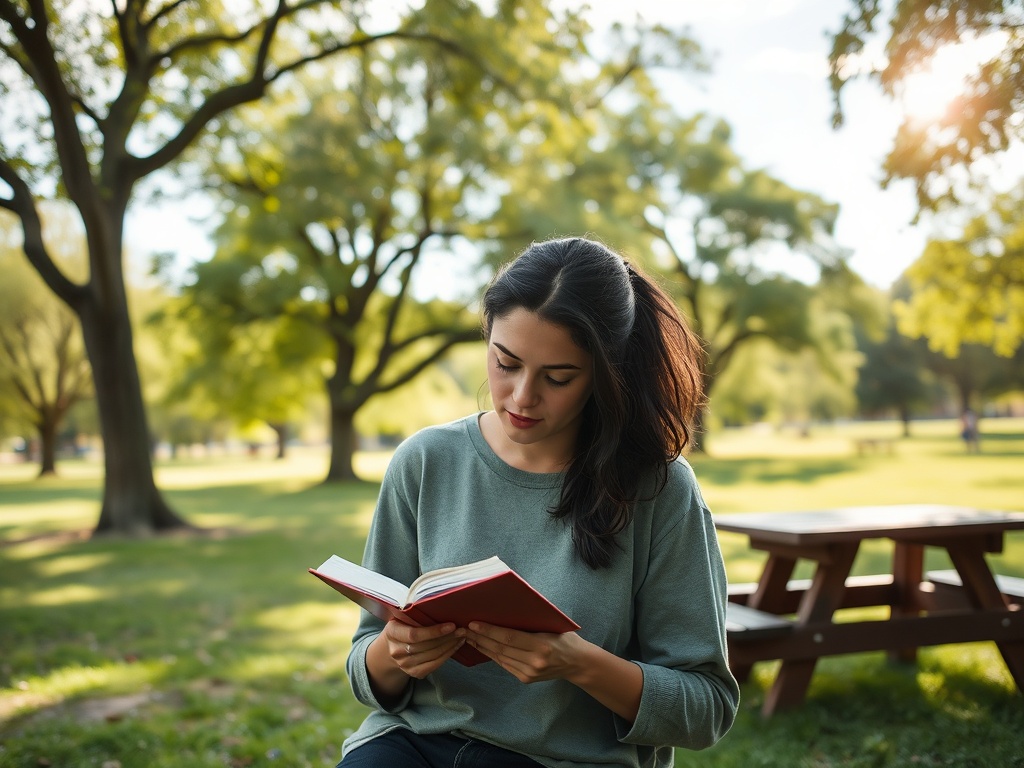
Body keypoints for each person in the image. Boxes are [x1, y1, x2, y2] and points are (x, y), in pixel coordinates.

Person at [338, 237, 740, 768]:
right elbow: (366, 665)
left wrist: (578, 664)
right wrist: (396, 652)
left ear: (604, 374)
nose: (523, 397)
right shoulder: (424, 461)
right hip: (413, 744)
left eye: (558, 377)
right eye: (506, 363)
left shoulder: (659, 490)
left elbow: (706, 708)